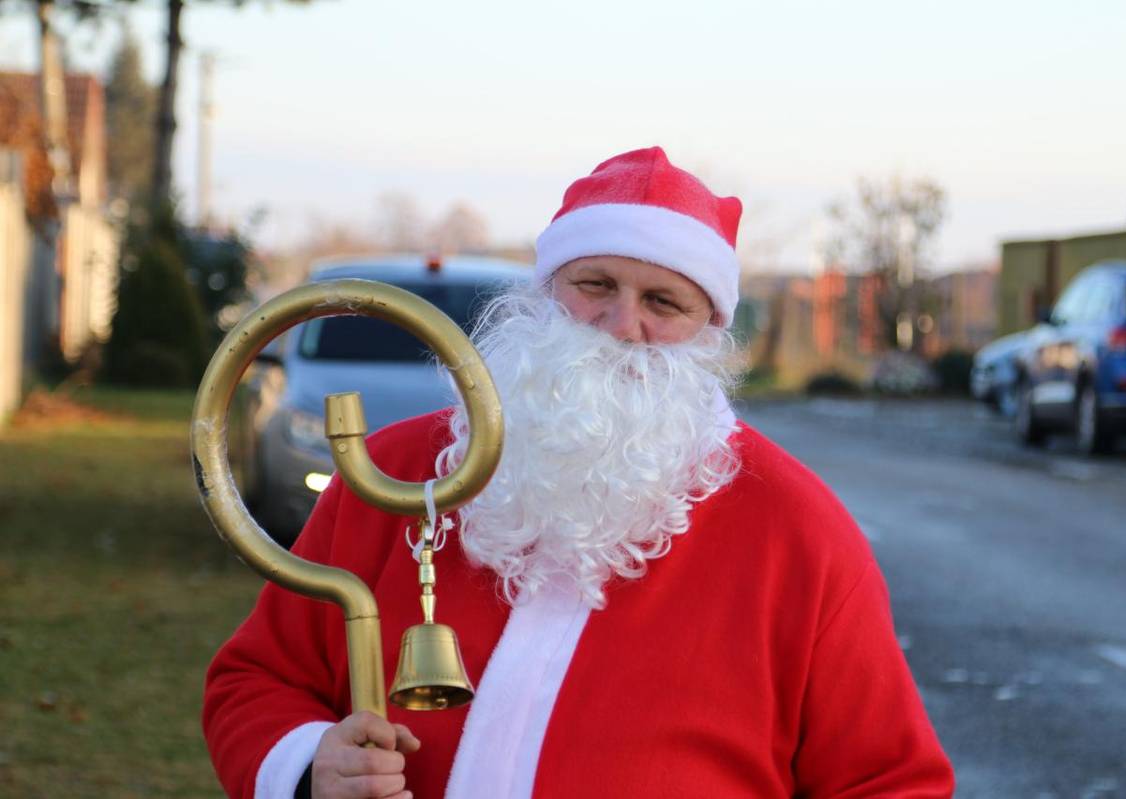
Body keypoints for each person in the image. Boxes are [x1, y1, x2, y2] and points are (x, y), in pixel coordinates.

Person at [203, 147, 955, 799]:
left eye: (663, 300)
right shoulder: (396, 472)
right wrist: (308, 766)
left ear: (710, 333)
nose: (621, 324)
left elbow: (889, 779)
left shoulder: (798, 530)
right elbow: (255, 681)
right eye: (595, 284)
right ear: (543, 294)